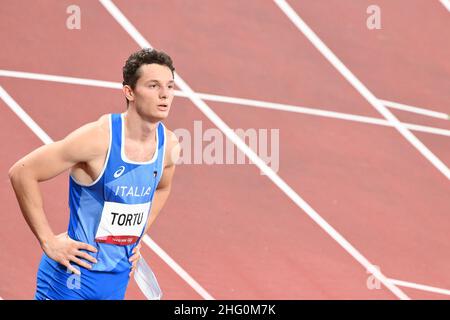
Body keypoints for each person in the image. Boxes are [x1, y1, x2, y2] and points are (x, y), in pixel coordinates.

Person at [8, 48, 181, 300]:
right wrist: (48, 240)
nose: (164, 94)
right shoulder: (99, 139)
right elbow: (22, 172)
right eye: (153, 85)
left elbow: (162, 188)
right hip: (71, 276)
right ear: (129, 92)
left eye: (169, 86)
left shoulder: (169, 145)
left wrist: (136, 235)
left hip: (117, 276)